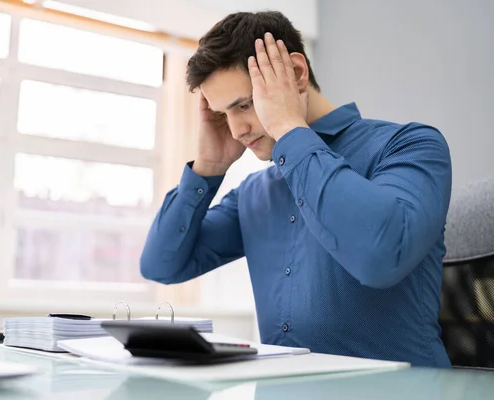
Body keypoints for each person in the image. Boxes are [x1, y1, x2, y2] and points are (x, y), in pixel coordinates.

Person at [140, 11, 452, 368]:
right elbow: (161, 265)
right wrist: (207, 169)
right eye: (223, 114)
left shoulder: (409, 145)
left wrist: (289, 127)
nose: (238, 129)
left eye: (244, 104)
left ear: (297, 74)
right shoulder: (254, 193)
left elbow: (380, 258)